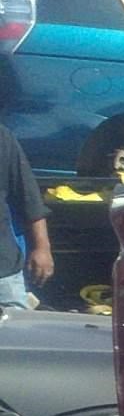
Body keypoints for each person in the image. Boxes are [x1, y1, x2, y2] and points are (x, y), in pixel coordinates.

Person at [0, 124, 51, 311]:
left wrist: (42, 248)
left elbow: (28, 197)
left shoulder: (2, 136)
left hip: (3, 272)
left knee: (15, 336)